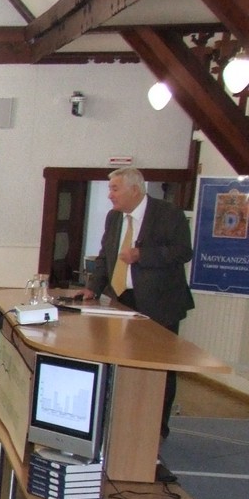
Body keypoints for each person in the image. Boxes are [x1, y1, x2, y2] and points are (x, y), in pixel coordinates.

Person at [78, 166, 195, 446]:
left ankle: (157, 430)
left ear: (135, 189)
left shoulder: (168, 214)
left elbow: (183, 252)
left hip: (160, 305)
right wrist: (93, 288)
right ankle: (121, 421)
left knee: (159, 368)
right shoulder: (114, 217)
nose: (110, 195)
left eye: (114, 188)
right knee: (119, 361)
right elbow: (105, 256)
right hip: (121, 300)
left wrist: (143, 254)